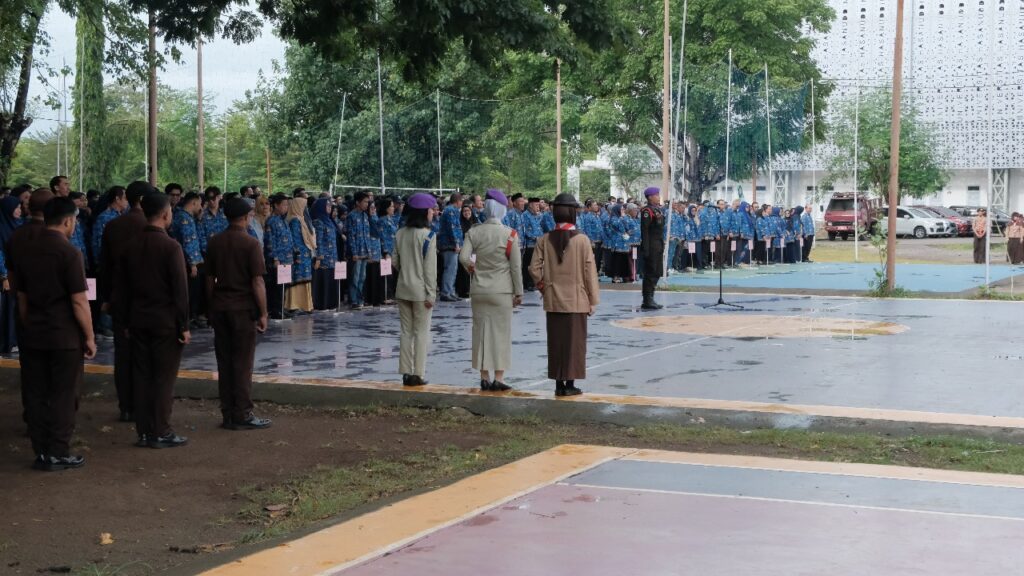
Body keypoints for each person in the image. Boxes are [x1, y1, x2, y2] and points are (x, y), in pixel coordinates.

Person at [18, 196, 96, 470]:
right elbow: (79, 301)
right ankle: (58, 451)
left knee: (37, 392)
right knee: (63, 393)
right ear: (67, 221)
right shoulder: (70, 253)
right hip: (64, 335)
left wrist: (30, 325)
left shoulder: (27, 250)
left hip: (35, 332)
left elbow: (22, 299)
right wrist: (89, 336)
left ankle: (41, 450)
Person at [118, 194, 190, 448]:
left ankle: (144, 431)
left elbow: (123, 289)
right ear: (165, 214)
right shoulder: (171, 247)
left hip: (137, 320)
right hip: (165, 321)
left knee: (142, 375)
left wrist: (126, 321)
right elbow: (180, 291)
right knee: (163, 377)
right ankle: (161, 430)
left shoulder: (130, 245)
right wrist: (184, 325)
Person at [206, 198, 272, 430]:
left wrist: (211, 306)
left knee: (224, 363)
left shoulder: (215, 242)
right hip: (243, 309)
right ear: (245, 217)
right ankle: (243, 413)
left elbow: (209, 279)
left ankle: (227, 413)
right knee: (243, 363)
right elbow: (257, 282)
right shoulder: (251, 243)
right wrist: (263, 312)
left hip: (220, 307)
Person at [529, 193, 600, 397]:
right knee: (575, 344)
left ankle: (558, 383)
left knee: (556, 342)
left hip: (553, 300)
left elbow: (533, 268)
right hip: (577, 299)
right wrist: (593, 300)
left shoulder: (544, 239)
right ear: (572, 213)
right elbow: (590, 272)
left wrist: (544, 286)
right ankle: (570, 384)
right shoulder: (582, 240)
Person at [459, 189, 523, 391]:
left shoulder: (474, 232)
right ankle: (499, 377)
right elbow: (515, 267)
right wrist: (518, 292)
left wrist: (472, 268)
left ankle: (484, 376)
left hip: (479, 289)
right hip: (502, 291)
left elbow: (463, 257)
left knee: (480, 333)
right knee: (501, 334)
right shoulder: (510, 234)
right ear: (503, 209)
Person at [100, 181, 150, 422]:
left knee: (123, 354)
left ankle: (126, 406)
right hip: (148, 301)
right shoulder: (152, 226)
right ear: (142, 199)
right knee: (146, 355)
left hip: (120, 299)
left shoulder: (113, 226)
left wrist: (107, 298)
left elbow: (105, 267)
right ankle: (143, 404)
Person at [394, 194, 439, 387]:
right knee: (421, 333)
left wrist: (407, 272)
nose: (433, 213)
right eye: (431, 210)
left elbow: (395, 262)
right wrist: (431, 293)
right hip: (421, 291)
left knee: (406, 332)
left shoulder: (400, 233)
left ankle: (405, 371)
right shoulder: (428, 235)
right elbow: (430, 269)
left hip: (403, 288)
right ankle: (417, 373)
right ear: (424, 213)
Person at [286, 196, 317, 315]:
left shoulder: (301, 219)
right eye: (303, 206)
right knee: (298, 279)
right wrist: (297, 254)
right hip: (299, 255)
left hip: (305, 254)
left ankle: (305, 305)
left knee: (305, 279)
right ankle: (295, 305)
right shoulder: (294, 220)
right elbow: (294, 239)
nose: (305, 209)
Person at [0, 196, 21, 354]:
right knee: (7, 308)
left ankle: (13, 339)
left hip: (17, 272)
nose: (20, 210)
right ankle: (7, 341)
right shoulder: (1, 228)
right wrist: (4, 275)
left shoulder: (16, 226)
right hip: (6, 275)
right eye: (17, 207)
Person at [638, 187, 665, 309]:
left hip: (658, 244)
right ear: (650, 197)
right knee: (650, 273)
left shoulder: (657, 210)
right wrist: (646, 249)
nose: (658, 197)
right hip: (651, 246)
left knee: (658, 272)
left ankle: (651, 297)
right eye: (656, 195)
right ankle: (647, 299)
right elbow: (645, 231)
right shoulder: (647, 211)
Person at [311, 198, 340, 310]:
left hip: (332, 255)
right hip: (323, 256)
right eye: (327, 205)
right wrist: (319, 257)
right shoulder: (318, 221)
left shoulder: (329, 220)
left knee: (331, 279)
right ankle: (322, 304)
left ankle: (331, 303)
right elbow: (318, 240)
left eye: (330, 205)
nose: (329, 207)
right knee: (324, 280)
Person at [346, 192, 372, 309]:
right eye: (365, 202)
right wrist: (354, 253)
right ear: (357, 202)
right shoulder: (351, 216)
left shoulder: (365, 216)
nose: (367, 204)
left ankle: (360, 298)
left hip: (365, 252)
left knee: (362, 277)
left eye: (368, 202)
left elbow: (367, 235)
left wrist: (369, 251)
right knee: (355, 277)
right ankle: (353, 300)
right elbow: (350, 236)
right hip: (356, 252)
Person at [437, 193, 464, 302]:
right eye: (461, 201)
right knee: (450, 268)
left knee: (453, 269)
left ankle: (450, 291)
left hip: (449, 244)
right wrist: (456, 243)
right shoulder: (451, 210)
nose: (462, 203)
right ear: (457, 201)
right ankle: (446, 292)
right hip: (449, 244)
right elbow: (452, 228)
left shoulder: (450, 210)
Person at [521, 198, 543, 290]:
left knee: (536, 264)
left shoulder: (538, 215)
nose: (538, 207)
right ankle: (528, 283)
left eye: (538, 205)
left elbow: (539, 228)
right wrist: (533, 237)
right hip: (529, 243)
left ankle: (534, 282)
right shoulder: (525, 215)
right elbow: (524, 230)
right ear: (530, 205)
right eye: (536, 205)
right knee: (529, 264)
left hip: (538, 243)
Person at [456, 204, 476, 298]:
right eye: (464, 211)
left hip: (474, 249)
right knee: (463, 271)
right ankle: (463, 291)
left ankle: (472, 289)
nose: (467, 213)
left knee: (473, 269)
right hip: (464, 249)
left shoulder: (475, 222)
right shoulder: (460, 223)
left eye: (468, 211)